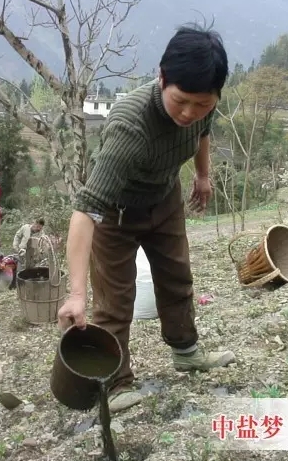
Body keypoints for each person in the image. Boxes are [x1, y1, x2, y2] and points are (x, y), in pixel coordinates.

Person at [57, 24, 236, 413]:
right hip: (116, 214)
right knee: (115, 301)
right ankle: (117, 381)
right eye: (181, 101)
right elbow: (86, 209)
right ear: (161, 77)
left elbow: (202, 132)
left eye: (202, 104)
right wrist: (74, 294)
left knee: (176, 276)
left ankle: (186, 351)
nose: (190, 113)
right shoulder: (130, 125)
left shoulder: (203, 109)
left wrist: (203, 177)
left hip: (164, 198)